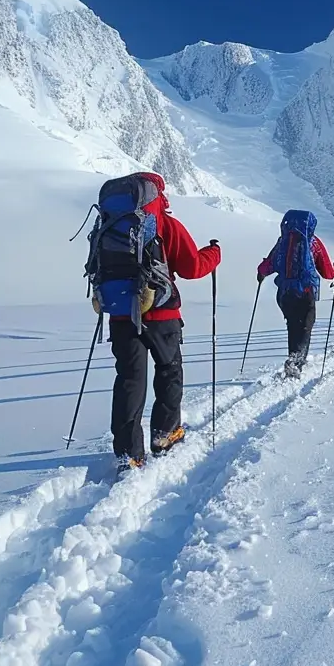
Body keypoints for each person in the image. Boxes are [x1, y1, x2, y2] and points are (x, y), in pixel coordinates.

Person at [90, 172, 222, 474]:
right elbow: (193, 268)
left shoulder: (110, 222)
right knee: (169, 372)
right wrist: (214, 253)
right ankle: (165, 434)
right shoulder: (164, 223)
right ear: (155, 193)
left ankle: (128, 452)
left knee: (128, 380)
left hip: (121, 313)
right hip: (162, 314)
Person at [257, 210, 334, 378]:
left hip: (285, 293)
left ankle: (293, 357)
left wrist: (261, 273)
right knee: (305, 326)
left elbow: (268, 266)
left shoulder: (283, 241)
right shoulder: (314, 243)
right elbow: (327, 273)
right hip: (306, 292)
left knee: (293, 325)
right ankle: (297, 361)